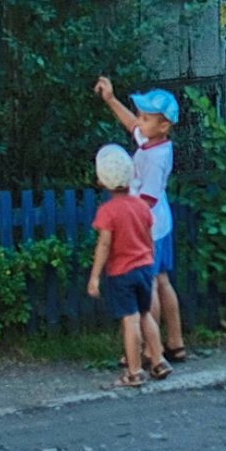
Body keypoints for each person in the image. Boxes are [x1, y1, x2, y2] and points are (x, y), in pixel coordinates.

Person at [94, 74, 188, 362]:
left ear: (164, 125)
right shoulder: (152, 142)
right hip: (161, 223)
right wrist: (110, 99)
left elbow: (146, 199)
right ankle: (175, 341)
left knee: (149, 286)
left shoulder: (155, 158)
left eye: (146, 117)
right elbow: (131, 125)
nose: (139, 120)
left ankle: (151, 349)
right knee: (162, 281)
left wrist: (128, 223)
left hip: (148, 227)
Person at [86, 143, 171, 387]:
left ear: (102, 181)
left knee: (130, 320)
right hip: (145, 268)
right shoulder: (142, 207)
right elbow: (149, 235)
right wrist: (150, 259)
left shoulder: (108, 212)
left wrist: (95, 276)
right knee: (146, 315)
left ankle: (134, 371)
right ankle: (159, 359)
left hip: (122, 273)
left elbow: (104, 245)